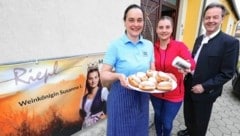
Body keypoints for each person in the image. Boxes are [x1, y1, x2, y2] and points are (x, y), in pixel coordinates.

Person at [177, 3, 239, 136]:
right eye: (207, 17)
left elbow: (227, 73)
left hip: (206, 91)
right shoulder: (199, 39)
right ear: (203, 19)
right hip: (189, 84)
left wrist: (204, 86)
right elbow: (194, 60)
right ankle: (189, 130)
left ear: (222, 19)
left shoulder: (230, 43)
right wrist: (187, 68)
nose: (211, 21)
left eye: (215, 17)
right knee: (188, 113)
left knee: (200, 121)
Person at [100, 4, 155, 136]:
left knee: (139, 132)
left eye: (139, 20)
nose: (136, 24)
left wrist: (161, 77)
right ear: (124, 22)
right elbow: (103, 75)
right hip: (121, 99)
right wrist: (118, 76)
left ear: (143, 22)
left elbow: (152, 70)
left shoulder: (148, 45)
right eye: (131, 20)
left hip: (141, 99)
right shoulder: (115, 45)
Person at [150, 16, 195, 136]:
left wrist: (186, 67)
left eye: (167, 27)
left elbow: (191, 62)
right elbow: (149, 68)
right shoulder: (152, 48)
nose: (164, 30)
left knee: (167, 122)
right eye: (161, 27)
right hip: (156, 93)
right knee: (158, 117)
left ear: (172, 29)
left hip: (174, 94)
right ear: (156, 30)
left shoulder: (179, 46)